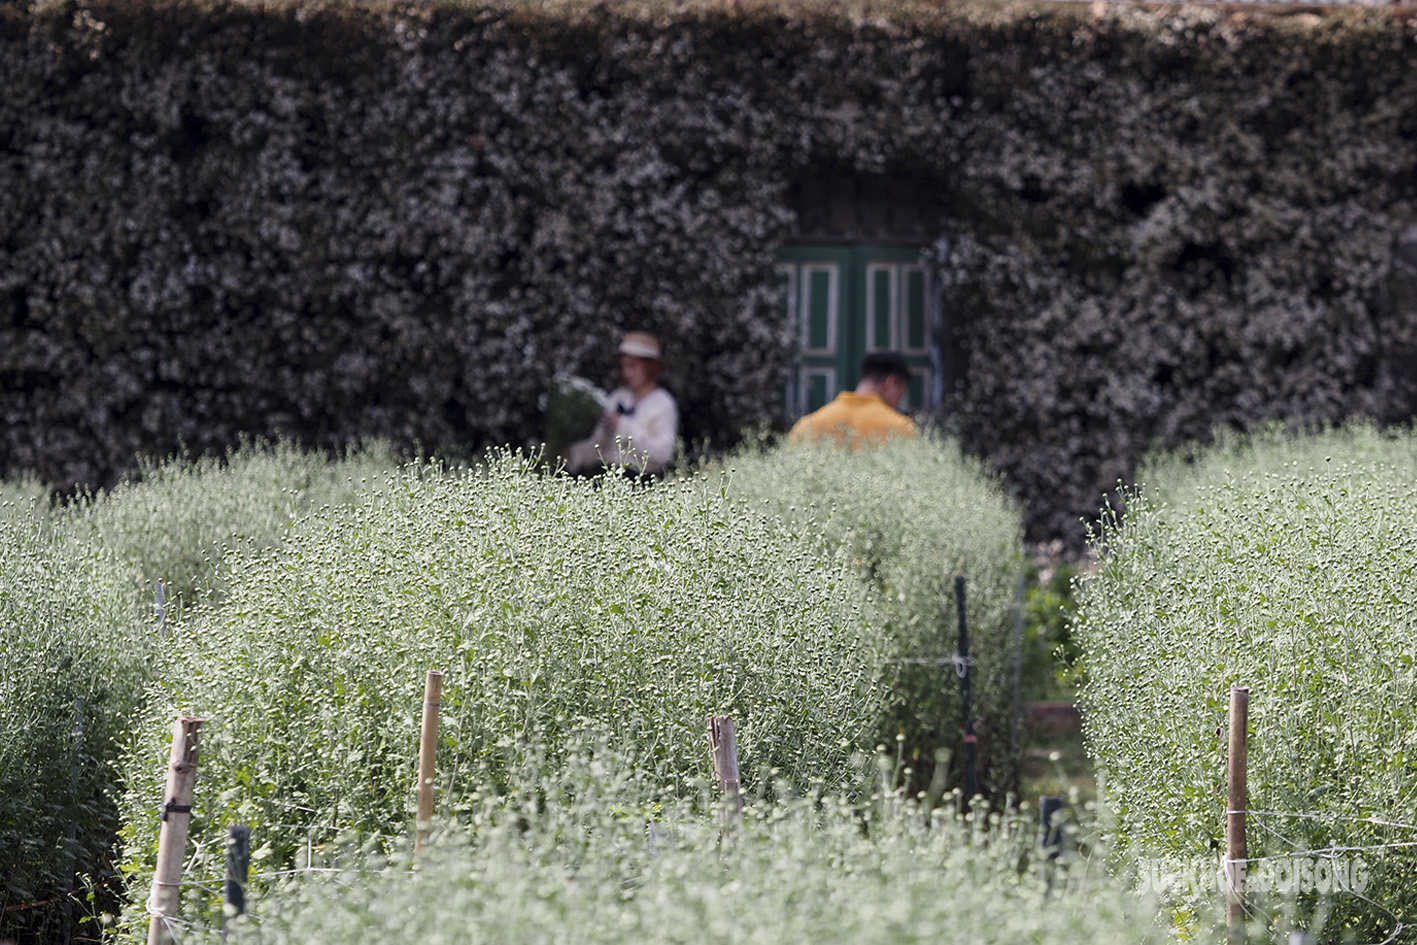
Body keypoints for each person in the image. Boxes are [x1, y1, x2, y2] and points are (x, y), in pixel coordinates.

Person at [564, 331, 679, 477]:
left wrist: (625, 427)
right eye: (623, 367)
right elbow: (598, 444)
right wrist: (573, 454)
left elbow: (662, 455)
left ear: (650, 366)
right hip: (606, 475)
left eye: (632, 366)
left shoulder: (663, 403)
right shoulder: (619, 397)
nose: (626, 373)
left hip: (640, 481)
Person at [788, 351, 919, 447]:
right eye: (900, 394)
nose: (898, 402)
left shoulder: (807, 426)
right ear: (890, 383)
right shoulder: (902, 428)